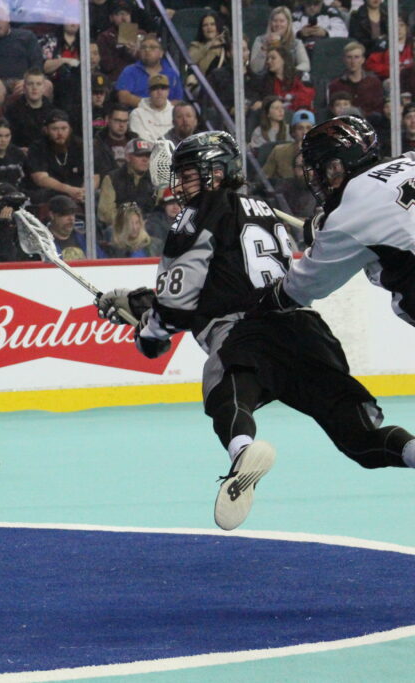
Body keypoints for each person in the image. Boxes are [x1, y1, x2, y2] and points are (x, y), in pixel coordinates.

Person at [95, 130, 415, 533]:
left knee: (227, 393)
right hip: (304, 327)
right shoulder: (262, 207)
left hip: (244, 330)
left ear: (218, 171)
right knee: (361, 439)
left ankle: (243, 452)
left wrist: (149, 334)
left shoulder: (194, 215)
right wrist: (141, 300)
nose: (182, 183)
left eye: (192, 173)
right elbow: (239, 275)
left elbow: (180, 302)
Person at [257, 116, 415, 326]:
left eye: (322, 169)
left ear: (337, 165)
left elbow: (304, 287)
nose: (319, 179)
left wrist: (261, 307)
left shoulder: (349, 214)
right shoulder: (409, 160)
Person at [0, 3, 44, 105]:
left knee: (46, 85)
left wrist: (28, 81)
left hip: (23, 80)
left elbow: (37, 62)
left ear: (8, 18)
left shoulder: (26, 36)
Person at [26, 109, 85, 204]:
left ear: (70, 129)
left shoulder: (79, 145)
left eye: (64, 128)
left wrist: (83, 191)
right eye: (55, 129)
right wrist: (69, 190)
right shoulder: (38, 147)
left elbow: (94, 175)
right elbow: (41, 179)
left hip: (80, 193)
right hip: (53, 194)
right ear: (46, 130)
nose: (60, 133)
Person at [97, 139, 155, 227]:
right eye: (139, 155)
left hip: (149, 226)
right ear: (128, 157)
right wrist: (129, 224)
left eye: (148, 156)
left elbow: (161, 210)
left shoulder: (157, 179)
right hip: (120, 227)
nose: (145, 159)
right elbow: (106, 213)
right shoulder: (112, 178)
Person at [115, 34, 184, 108]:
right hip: (137, 114)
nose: (147, 50)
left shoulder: (171, 74)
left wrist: (161, 109)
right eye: (143, 47)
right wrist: (151, 106)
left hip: (165, 116)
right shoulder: (129, 71)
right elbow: (123, 97)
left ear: (161, 53)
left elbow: (178, 101)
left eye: (152, 47)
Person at [327, 42, 385, 119]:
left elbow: (379, 108)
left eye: (356, 57)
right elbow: (332, 109)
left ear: (363, 60)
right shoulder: (335, 85)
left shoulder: (373, 83)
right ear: (344, 59)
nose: (353, 61)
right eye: (349, 57)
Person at [250, 6, 310, 78]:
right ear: (271, 23)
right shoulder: (260, 40)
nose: (278, 24)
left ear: (288, 23)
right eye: (275, 21)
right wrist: (265, 47)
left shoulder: (296, 43)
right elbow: (255, 69)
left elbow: (306, 65)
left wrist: (288, 72)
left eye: (282, 21)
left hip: (288, 81)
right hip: (265, 82)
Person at [3, 68, 54, 150]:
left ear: (44, 88)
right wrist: (17, 150)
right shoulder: (12, 110)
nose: (34, 88)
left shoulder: (51, 111)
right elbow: (5, 137)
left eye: (38, 84)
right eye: (30, 84)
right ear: (24, 87)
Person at [258, 46, 314, 112]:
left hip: (299, 113)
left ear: (284, 59)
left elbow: (306, 97)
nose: (269, 61)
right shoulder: (265, 81)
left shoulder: (300, 76)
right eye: (268, 59)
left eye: (273, 58)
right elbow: (268, 103)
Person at [263, 108, 316, 179]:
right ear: (293, 132)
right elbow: (264, 178)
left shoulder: (322, 152)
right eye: (300, 128)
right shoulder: (278, 152)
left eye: (308, 128)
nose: (305, 133)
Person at [92, 104, 137, 184]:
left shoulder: (135, 142)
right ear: (107, 120)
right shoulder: (97, 144)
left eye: (125, 121)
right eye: (117, 120)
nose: (122, 125)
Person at [46, 194, 99, 259]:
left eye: (73, 213)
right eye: (65, 214)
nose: (71, 218)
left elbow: (103, 262)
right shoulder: (43, 243)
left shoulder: (85, 239)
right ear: (52, 215)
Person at [128, 74, 174, 142]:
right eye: (155, 88)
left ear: (168, 91)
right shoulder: (137, 114)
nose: (159, 92)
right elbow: (141, 140)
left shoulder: (175, 112)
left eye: (163, 88)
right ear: (149, 92)